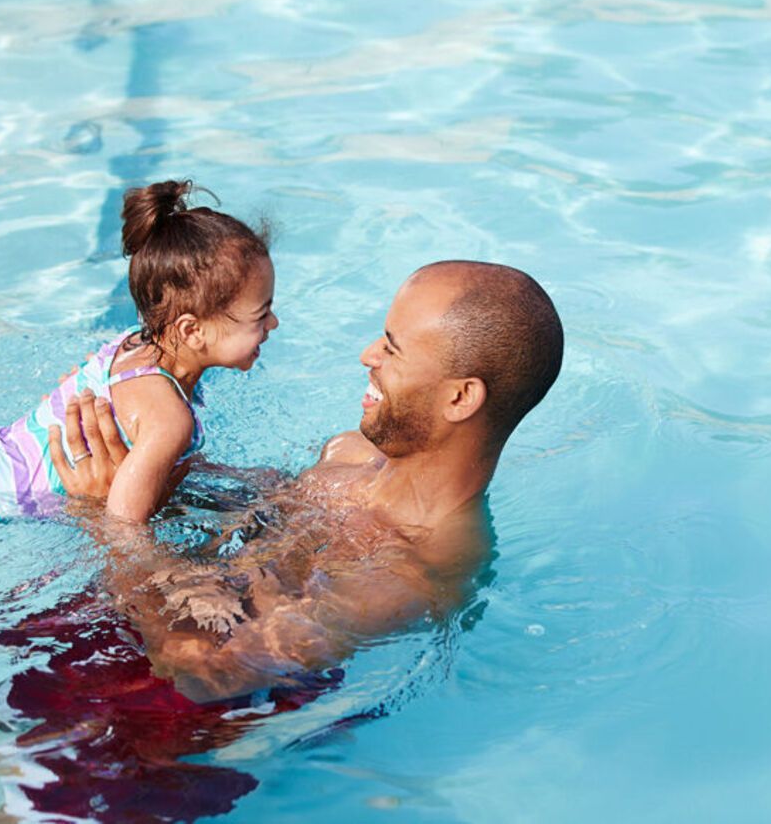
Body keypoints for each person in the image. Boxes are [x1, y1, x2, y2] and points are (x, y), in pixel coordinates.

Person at [53, 259, 564, 703]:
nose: (368, 355)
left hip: (157, 721)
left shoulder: (407, 576)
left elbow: (204, 675)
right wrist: (144, 464)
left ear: (460, 399)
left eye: (392, 347)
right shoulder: (350, 452)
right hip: (128, 612)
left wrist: (103, 519)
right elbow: (249, 508)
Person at [0, 179, 278, 583]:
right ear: (192, 331)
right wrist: (182, 580)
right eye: (260, 315)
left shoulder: (136, 345)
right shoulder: (169, 420)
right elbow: (122, 526)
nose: (273, 323)